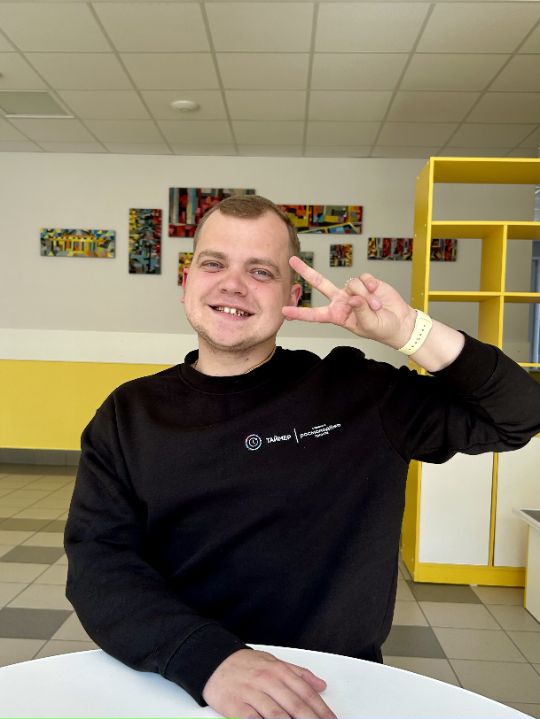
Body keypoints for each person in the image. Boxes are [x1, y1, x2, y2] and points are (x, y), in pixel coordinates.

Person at [65, 195, 540, 719]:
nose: (232, 284)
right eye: (214, 263)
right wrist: (208, 659)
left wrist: (410, 332)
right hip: (182, 680)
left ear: (292, 296)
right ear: (187, 282)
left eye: (260, 271)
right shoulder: (129, 413)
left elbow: (518, 415)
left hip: (329, 689)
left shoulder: (359, 392)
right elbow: (99, 564)